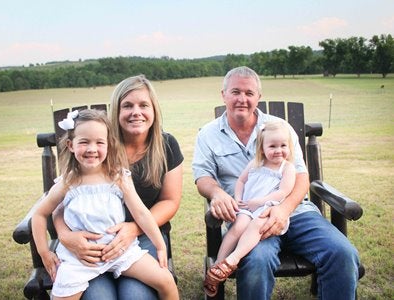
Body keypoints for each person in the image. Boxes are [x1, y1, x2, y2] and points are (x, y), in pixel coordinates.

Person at [192, 66, 360, 299]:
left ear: (258, 97)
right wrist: (217, 193)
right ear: (224, 95)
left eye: (249, 93)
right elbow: (203, 177)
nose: (242, 99)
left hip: (296, 212)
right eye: (236, 92)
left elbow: (301, 177)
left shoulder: (280, 128)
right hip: (250, 219)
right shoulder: (208, 134)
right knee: (257, 261)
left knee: (343, 253)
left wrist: (283, 209)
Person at [53, 75, 184, 299]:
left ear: (154, 109)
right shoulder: (99, 146)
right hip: (94, 241)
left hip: (144, 236)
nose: (136, 112)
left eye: (144, 105)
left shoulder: (166, 145)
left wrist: (133, 229)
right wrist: (65, 236)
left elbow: (170, 201)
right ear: (116, 110)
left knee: (136, 297)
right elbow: (63, 201)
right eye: (127, 106)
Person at [203, 120, 296, 297]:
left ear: (289, 147)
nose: (278, 150)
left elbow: (284, 192)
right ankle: (218, 267)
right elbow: (241, 181)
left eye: (283, 145)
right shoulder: (256, 163)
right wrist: (238, 198)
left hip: (269, 209)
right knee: (237, 227)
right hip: (248, 206)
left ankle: (233, 259)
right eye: (273, 146)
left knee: (256, 226)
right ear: (262, 148)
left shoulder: (287, 168)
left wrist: (260, 201)